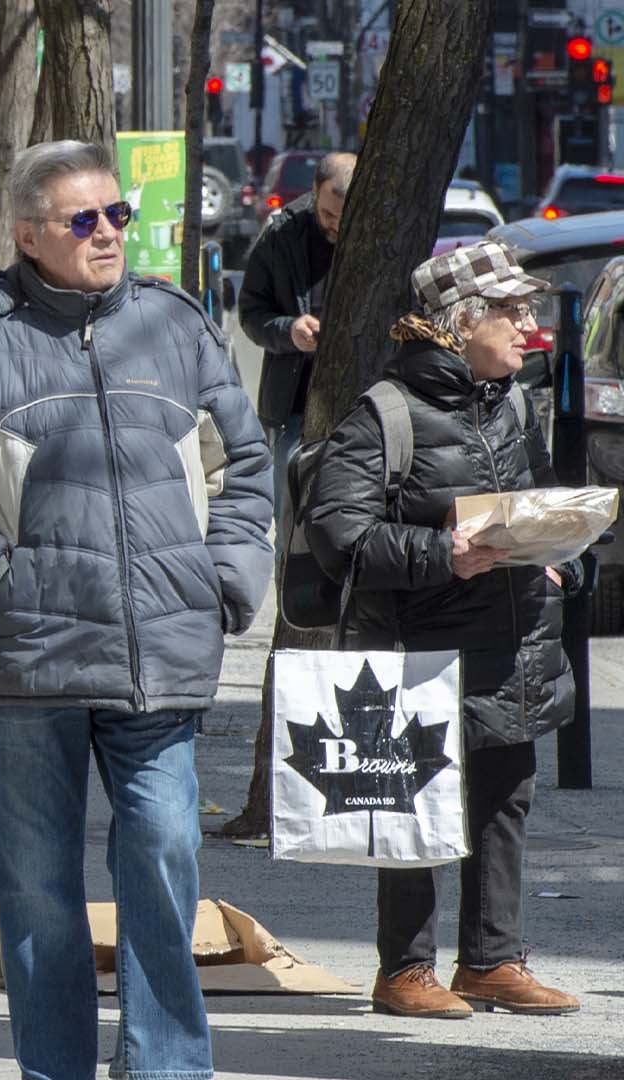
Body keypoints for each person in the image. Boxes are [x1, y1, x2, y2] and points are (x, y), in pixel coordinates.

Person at [0, 140, 273, 1080]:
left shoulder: (174, 326)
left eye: (116, 216)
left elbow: (246, 464)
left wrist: (224, 578)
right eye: (82, 220)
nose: (107, 235)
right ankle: (56, 1068)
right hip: (31, 659)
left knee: (167, 858)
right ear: (27, 235)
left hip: (161, 652)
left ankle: (166, 1066)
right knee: (40, 894)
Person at [303, 239, 582, 1020]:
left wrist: (562, 553)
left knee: (503, 801)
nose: (529, 324)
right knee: (416, 807)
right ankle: (405, 971)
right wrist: (440, 556)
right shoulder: (387, 414)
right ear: (460, 324)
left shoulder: (516, 399)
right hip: (419, 651)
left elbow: (536, 499)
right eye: (511, 309)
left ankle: (492, 961)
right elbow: (339, 537)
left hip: (514, 642)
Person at [240, 151, 356, 532]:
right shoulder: (281, 236)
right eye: (327, 215)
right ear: (313, 194)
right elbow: (251, 313)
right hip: (296, 407)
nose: (336, 225)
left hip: (362, 405)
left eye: (344, 215)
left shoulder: (375, 233)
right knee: (291, 525)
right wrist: (289, 330)